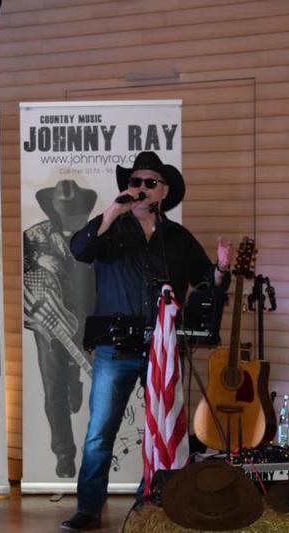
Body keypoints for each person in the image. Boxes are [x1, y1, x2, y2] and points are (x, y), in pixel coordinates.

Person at [61, 152, 231, 531]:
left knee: (164, 428)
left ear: (164, 191)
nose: (140, 188)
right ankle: (88, 509)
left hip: (163, 347)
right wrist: (112, 210)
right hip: (115, 346)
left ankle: (150, 503)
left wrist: (221, 269)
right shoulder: (111, 230)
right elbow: (79, 249)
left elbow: (207, 282)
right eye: (134, 182)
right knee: (100, 432)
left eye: (149, 183)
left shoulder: (178, 237)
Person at [23, 179, 96, 479]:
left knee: (89, 374)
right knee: (53, 387)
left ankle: (74, 380)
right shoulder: (33, 236)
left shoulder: (95, 232)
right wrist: (37, 257)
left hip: (88, 316)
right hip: (48, 322)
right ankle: (64, 454)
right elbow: (15, 266)